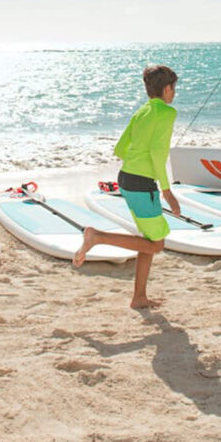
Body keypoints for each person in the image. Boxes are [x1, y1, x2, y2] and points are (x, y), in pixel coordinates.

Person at [74, 65, 180, 309]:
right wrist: (167, 191)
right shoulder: (166, 113)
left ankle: (139, 297)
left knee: (148, 239)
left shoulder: (141, 112)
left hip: (127, 178)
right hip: (142, 183)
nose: (174, 94)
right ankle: (97, 237)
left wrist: (135, 161)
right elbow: (157, 152)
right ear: (166, 89)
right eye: (174, 89)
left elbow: (121, 148)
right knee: (157, 243)